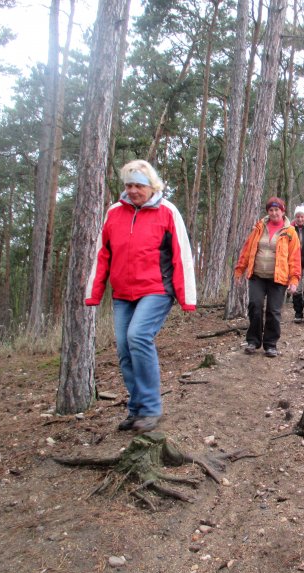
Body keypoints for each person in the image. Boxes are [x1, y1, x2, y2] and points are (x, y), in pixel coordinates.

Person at [85, 160, 196, 433]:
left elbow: (182, 255)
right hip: (123, 292)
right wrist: (94, 292)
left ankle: (150, 408)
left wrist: (186, 297)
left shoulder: (167, 211)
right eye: (129, 185)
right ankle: (136, 409)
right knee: (124, 348)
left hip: (157, 289)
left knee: (138, 336)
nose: (133, 190)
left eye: (139, 185)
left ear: (151, 186)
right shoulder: (114, 213)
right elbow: (102, 255)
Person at [234, 197, 301, 357]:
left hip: (278, 278)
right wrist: (239, 269)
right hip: (257, 275)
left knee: (273, 311)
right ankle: (253, 341)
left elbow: (294, 258)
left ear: (283, 211)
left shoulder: (290, 232)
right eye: (271, 210)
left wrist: (294, 279)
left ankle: (270, 344)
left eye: (277, 210)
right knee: (255, 306)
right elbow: (247, 250)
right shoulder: (259, 227)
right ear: (268, 212)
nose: (274, 213)